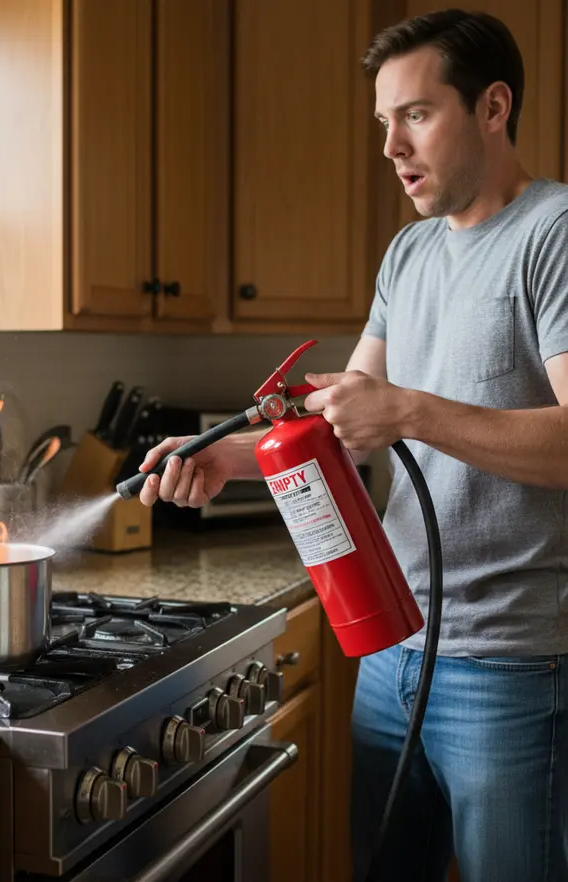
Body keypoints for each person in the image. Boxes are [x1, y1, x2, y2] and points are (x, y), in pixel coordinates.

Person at [137, 9, 568, 882]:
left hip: (513, 672)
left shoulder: (552, 233)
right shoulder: (407, 255)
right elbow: (334, 418)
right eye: (384, 123)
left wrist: (407, 411)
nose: (391, 148)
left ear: (492, 108)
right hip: (390, 653)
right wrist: (227, 455)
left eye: (415, 115)